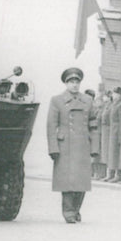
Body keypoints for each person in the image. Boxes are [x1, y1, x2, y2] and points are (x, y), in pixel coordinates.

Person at [46, 67, 99, 224]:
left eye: (77, 82)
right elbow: (51, 126)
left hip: (83, 144)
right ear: (66, 84)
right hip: (65, 146)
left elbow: (94, 126)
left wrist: (95, 148)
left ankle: (76, 210)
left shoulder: (88, 101)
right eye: (71, 82)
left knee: (81, 181)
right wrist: (53, 148)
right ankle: (68, 211)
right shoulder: (57, 100)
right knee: (67, 181)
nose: (74, 85)